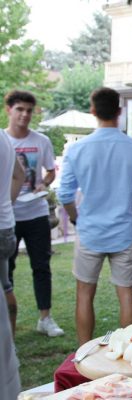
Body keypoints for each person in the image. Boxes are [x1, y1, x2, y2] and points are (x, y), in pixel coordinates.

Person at [58, 87, 132, 345]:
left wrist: (75, 218)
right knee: (126, 294)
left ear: (92, 111)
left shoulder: (77, 149)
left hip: (90, 230)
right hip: (125, 230)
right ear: (119, 111)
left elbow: (64, 194)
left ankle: (83, 353)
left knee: (84, 295)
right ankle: (131, 352)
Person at [4, 90, 64, 337]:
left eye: (29, 110)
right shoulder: (3, 140)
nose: (25, 115)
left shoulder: (41, 141)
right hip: (8, 215)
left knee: (42, 267)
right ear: (9, 110)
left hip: (36, 212)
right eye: (20, 109)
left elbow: (50, 171)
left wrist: (44, 183)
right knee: (6, 271)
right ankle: (7, 326)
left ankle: (45, 318)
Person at [1, 129, 24, 398]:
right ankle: (10, 346)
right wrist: (6, 202)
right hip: (6, 224)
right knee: (6, 286)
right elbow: (19, 175)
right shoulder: (4, 137)